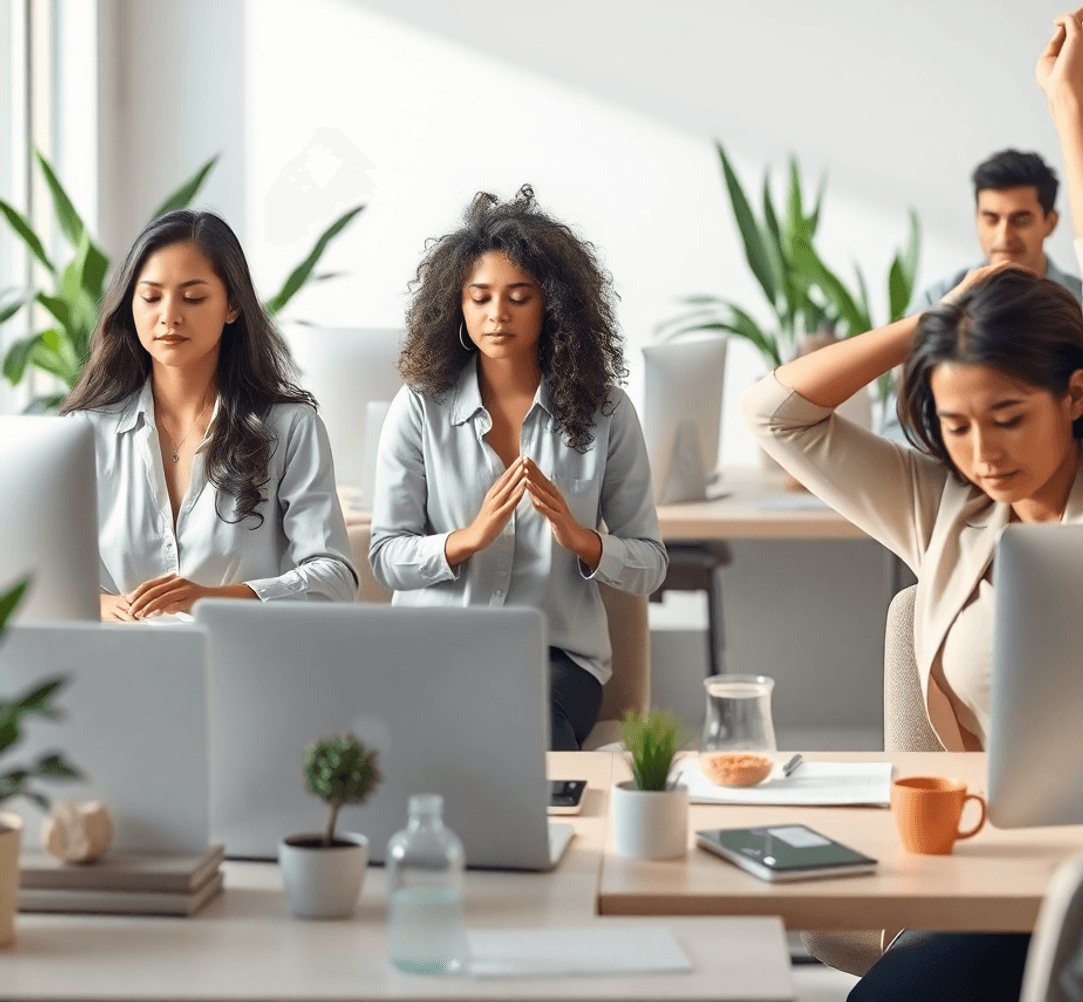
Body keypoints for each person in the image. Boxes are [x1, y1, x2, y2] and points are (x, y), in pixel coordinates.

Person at [741, 6, 1083, 1000]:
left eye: (1007, 417)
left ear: (1074, 396)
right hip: (1006, 882)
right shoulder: (943, 511)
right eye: (956, 425)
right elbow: (778, 415)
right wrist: (932, 321)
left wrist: (1069, 104)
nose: (981, 452)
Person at [369, 187, 667, 751]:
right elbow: (385, 557)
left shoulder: (606, 413)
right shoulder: (418, 408)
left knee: (522, 719)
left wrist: (584, 542)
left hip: (555, 666)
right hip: (434, 651)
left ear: (552, 304)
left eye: (518, 297)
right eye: (479, 298)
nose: (496, 314)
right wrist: (465, 540)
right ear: (457, 305)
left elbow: (650, 566)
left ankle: (544, 833)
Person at [62, 210, 357, 619]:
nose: (169, 316)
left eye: (193, 297)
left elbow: (335, 580)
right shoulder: (84, 433)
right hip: (120, 664)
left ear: (232, 304)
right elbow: (38, 572)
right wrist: (101, 603)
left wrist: (214, 599)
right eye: (150, 297)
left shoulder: (290, 429)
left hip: (241, 664)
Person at [881, 148, 1082, 442]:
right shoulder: (936, 300)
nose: (1004, 237)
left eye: (1020, 219)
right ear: (976, 219)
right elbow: (898, 427)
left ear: (1050, 222)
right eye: (991, 218)